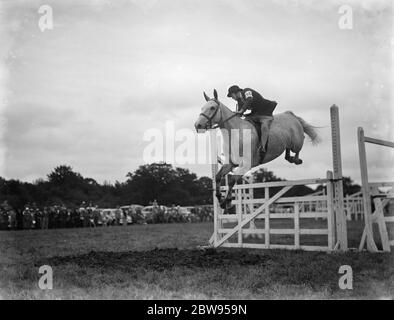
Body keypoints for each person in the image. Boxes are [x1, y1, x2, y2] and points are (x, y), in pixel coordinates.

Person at [227, 85, 277, 154]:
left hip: (265, 112)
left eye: (232, 96)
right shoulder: (239, 101)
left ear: (234, 93)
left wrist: (241, 110)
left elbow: (249, 99)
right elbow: (239, 114)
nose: (232, 98)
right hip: (255, 114)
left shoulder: (247, 91)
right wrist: (232, 115)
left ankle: (263, 147)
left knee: (264, 127)